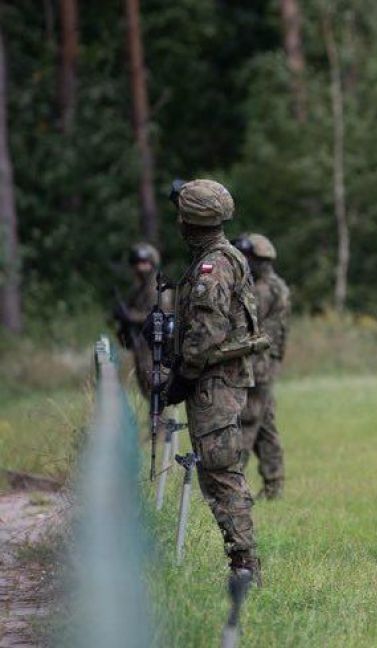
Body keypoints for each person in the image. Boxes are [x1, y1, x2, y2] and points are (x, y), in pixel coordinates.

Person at [163, 178, 266, 582]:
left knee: (222, 472)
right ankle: (242, 563)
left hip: (215, 383)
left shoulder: (214, 265)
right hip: (216, 382)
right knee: (216, 470)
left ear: (188, 222)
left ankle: (244, 567)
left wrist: (184, 375)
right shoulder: (219, 257)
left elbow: (207, 331)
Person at [232, 232, 290, 500]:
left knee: (247, 422)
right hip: (267, 364)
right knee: (265, 425)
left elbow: (242, 325)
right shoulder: (278, 286)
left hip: (255, 366)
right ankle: (274, 484)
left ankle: (233, 485)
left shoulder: (261, 290)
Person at [112, 242, 172, 400]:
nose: (140, 268)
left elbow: (161, 316)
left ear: (152, 264)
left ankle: (161, 425)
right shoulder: (138, 290)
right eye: (137, 263)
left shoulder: (159, 288)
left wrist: (130, 316)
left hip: (156, 352)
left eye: (144, 263)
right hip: (141, 350)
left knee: (158, 399)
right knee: (148, 394)